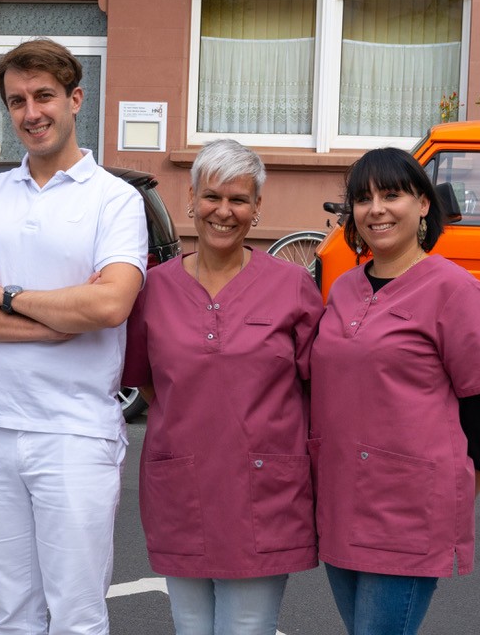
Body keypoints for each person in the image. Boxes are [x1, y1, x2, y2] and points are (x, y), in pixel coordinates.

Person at [0, 38, 146, 634]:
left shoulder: (116, 200)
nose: (32, 112)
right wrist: (51, 326)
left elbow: (109, 304)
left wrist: (4, 296)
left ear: (76, 99)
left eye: (45, 96)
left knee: (77, 616)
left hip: (74, 431)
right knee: (12, 615)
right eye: (17, 100)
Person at [121, 139, 322, 635]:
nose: (223, 211)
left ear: (257, 209)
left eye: (239, 199)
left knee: (248, 628)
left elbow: (315, 384)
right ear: (191, 200)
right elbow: (144, 378)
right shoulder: (154, 287)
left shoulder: (292, 286)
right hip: (181, 486)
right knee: (190, 627)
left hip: (264, 492)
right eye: (212, 197)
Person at [311, 147, 480, 635]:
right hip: (340, 506)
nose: (375, 209)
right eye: (363, 198)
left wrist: (450, 496)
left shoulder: (456, 292)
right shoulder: (343, 288)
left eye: (391, 194)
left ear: (423, 204)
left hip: (409, 516)